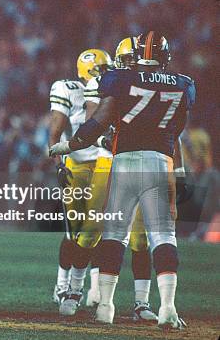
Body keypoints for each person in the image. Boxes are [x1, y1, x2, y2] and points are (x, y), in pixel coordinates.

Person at [50, 31, 194, 329]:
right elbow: (175, 133)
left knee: (116, 234)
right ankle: (168, 306)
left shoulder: (120, 80)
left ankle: (106, 305)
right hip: (160, 163)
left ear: (139, 56)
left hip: (124, 160)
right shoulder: (183, 84)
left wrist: (69, 145)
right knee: (164, 236)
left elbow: (97, 122)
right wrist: (180, 177)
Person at [83, 37, 157, 322]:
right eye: (126, 61)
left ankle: (141, 302)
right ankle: (91, 294)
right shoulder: (109, 82)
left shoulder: (150, 85)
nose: (130, 66)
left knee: (141, 238)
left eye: (133, 61)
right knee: (98, 229)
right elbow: (93, 123)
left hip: (140, 161)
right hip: (109, 160)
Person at [47, 48, 112, 315]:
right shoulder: (67, 88)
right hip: (77, 162)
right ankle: (63, 284)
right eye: (100, 69)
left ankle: (87, 287)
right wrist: (58, 164)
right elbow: (55, 131)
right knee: (73, 230)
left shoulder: (114, 88)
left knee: (95, 227)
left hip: (104, 161)